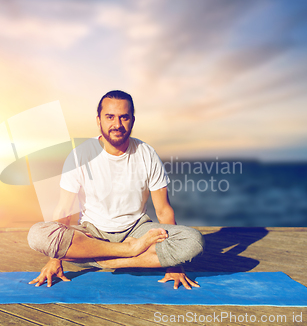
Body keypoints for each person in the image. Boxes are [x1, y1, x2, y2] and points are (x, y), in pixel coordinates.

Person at [27, 90, 205, 289]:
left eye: (124, 117)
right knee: (38, 234)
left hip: (137, 230)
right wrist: (55, 259)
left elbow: (163, 209)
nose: (117, 124)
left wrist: (175, 265)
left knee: (193, 241)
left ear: (132, 120)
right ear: (98, 120)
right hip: (92, 233)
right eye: (110, 117)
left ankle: (105, 260)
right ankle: (129, 251)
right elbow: (64, 210)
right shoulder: (80, 154)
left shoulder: (146, 153)